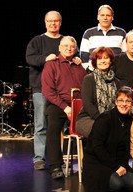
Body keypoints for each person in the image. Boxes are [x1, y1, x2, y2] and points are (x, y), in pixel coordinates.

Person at [25, 11, 81, 170]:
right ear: (45, 22)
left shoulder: (66, 42)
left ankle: (61, 157)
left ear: (60, 22)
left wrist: (77, 58)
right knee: (41, 124)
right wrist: (45, 59)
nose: (53, 24)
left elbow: (72, 59)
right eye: (50, 21)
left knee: (63, 126)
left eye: (56, 21)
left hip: (63, 91)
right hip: (41, 89)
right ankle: (39, 158)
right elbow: (30, 58)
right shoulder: (38, 41)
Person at [41, 36, 86, 179]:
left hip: (77, 105)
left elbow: (85, 87)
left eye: (72, 46)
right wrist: (65, 107)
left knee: (90, 125)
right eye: (65, 46)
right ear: (59, 48)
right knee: (53, 128)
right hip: (57, 104)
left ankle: (89, 163)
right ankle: (55, 165)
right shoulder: (51, 64)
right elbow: (48, 91)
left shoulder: (79, 66)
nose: (69, 48)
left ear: (75, 49)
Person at [82, 86, 133, 192]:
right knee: (117, 185)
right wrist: (115, 167)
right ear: (116, 102)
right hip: (98, 163)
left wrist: (122, 165)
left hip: (118, 162)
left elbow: (126, 149)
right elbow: (97, 147)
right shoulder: (105, 118)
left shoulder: (130, 121)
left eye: (128, 101)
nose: (124, 104)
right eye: (121, 100)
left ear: (132, 104)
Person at [75, 46, 117, 138]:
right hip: (87, 118)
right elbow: (87, 104)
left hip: (110, 119)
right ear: (95, 62)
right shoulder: (89, 79)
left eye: (106, 58)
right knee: (102, 129)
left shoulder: (116, 81)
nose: (102, 61)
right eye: (99, 58)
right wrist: (102, 119)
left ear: (110, 61)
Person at [79, 4, 126, 70]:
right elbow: (84, 55)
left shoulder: (121, 33)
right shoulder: (88, 33)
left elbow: (125, 54)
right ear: (98, 17)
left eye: (108, 15)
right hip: (94, 73)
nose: (105, 18)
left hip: (116, 73)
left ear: (112, 17)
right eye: (102, 15)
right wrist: (88, 70)